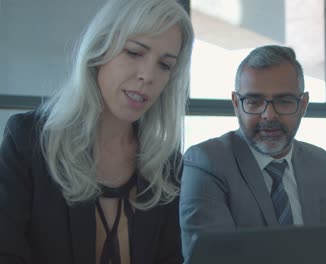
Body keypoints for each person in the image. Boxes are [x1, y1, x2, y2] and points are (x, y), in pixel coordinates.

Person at [0, 0, 193, 263]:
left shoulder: (167, 166)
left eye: (164, 65)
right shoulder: (28, 141)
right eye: (134, 52)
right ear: (99, 49)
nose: (148, 75)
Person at [179, 45, 326, 264]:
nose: (268, 115)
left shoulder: (319, 162)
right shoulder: (207, 162)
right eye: (254, 101)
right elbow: (215, 261)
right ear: (236, 104)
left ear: (304, 104)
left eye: (284, 101)